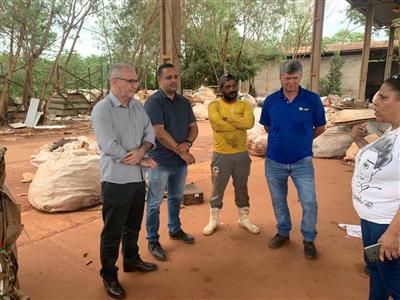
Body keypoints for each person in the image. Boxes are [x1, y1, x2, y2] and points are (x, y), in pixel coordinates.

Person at [92, 63, 158, 299]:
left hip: (137, 180)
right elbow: (109, 146)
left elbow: (150, 134)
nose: (135, 86)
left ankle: (131, 259)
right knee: (112, 231)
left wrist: (141, 151)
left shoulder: (137, 107)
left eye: (135, 81)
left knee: (133, 225)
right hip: (115, 181)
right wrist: (140, 159)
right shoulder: (102, 110)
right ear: (114, 82)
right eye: (130, 82)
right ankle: (109, 274)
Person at [259, 59, 326, 260]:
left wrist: (303, 140)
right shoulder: (270, 101)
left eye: (294, 78)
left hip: (302, 162)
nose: (291, 82)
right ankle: (283, 232)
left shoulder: (312, 100)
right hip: (274, 162)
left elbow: (320, 127)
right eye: (287, 78)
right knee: (279, 201)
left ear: (300, 77)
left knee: (309, 201)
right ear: (280, 78)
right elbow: (267, 127)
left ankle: (308, 238)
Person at [351, 77, 400, 300]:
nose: (375, 101)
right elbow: (382, 167)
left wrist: (393, 233)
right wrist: (360, 143)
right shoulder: (392, 132)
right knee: (377, 274)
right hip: (371, 223)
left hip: (387, 227)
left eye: (383, 96)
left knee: (394, 282)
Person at [144, 63, 198, 261]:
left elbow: (194, 127)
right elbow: (158, 132)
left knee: (176, 197)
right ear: (159, 80)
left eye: (176, 76)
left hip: (179, 164)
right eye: (169, 77)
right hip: (160, 161)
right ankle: (152, 240)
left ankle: (175, 229)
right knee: (154, 203)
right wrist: (181, 151)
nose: (173, 80)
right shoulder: (153, 103)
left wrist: (188, 143)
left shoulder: (184, 102)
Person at [203, 74, 259, 235]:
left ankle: (244, 218)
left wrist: (227, 119)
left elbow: (249, 123)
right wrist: (237, 122)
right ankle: (213, 219)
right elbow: (217, 125)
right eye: (227, 87)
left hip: (241, 155)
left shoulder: (245, 105)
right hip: (221, 154)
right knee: (217, 188)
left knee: (241, 187)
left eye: (234, 86)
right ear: (221, 89)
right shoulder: (214, 106)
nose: (232, 89)